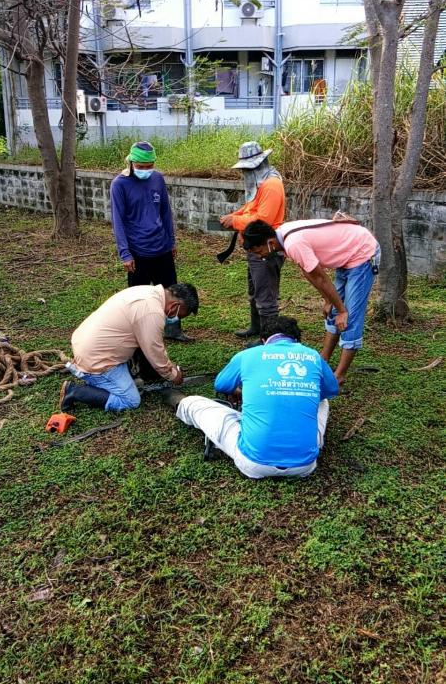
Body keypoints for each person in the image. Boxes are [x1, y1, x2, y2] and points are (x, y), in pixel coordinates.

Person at [163, 316, 339, 479]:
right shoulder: (313, 356)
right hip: (304, 465)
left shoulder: (248, 355)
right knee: (322, 401)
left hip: (254, 463)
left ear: (263, 340)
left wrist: (242, 391)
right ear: (297, 341)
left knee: (195, 403)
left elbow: (221, 385)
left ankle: (178, 401)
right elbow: (331, 390)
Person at [242, 218, 380, 385]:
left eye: (259, 251)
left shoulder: (293, 243)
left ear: (270, 242)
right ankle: (323, 361)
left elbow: (321, 277)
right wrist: (328, 300)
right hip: (347, 254)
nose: (260, 256)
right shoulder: (283, 237)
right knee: (334, 312)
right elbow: (308, 272)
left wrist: (342, 310)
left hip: (362, 252)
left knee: (349, 317)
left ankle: (339, 376)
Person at [59, 283, 199, 413]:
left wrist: (167, 367)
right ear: (175, 306)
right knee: (131, 401)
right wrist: (173, 374)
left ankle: (139, 374)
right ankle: (75, 391)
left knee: (144, 351)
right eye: (179, 316)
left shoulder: (148, 292)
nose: (176, 318)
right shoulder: (153, 313)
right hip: (97, 359)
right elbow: (154, 350)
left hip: (86, 343)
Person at [110, 140, 191, 342]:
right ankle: (138, 335)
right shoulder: (119, 184)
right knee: (138, 298)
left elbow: (165, 211)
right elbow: (118, 221)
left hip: (162, 247)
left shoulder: (157, 179)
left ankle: (173, 330)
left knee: (171, 291)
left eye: (150, 166)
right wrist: (125, 253)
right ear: (131, 163)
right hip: (138, 251)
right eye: (141, 166)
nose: (146, 170)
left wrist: (171, 241)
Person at [219, 141, 285, 340]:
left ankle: (268, 338)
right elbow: (250, 208)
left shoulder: (271, 184)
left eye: (247, 169)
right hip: (256, 247)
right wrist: (234, 216)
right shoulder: (261, 183)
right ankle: (256, 328)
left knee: (265, 296)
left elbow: (263, 220)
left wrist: (235, 221)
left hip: (267, 248)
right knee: (255, 290)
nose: (245, 173)